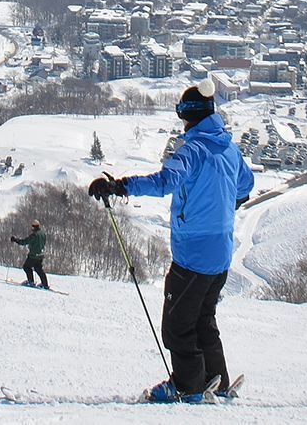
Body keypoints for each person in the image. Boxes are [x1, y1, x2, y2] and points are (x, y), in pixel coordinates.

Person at [88, 78, 253, 404]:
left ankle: (189, 386)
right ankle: (216, 382)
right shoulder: (229, 148)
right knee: (204, 320)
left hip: (193, 255)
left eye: (182, 113)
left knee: (177, 326)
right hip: (220, 255)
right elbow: (245, 186)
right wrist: (220, 205)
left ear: (189, 114)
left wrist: (120, 187)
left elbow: (165, 181)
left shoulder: (191, 151)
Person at [10, 218, 50, 289]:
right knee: (38, 269)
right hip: (40, 255)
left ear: (33, 227)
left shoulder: (34, 235)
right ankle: (45, 284)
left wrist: (16, 240)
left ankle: (30, 282)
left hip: (33, 255)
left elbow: (24, 242)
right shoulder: (43, 233)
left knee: (26, 267)